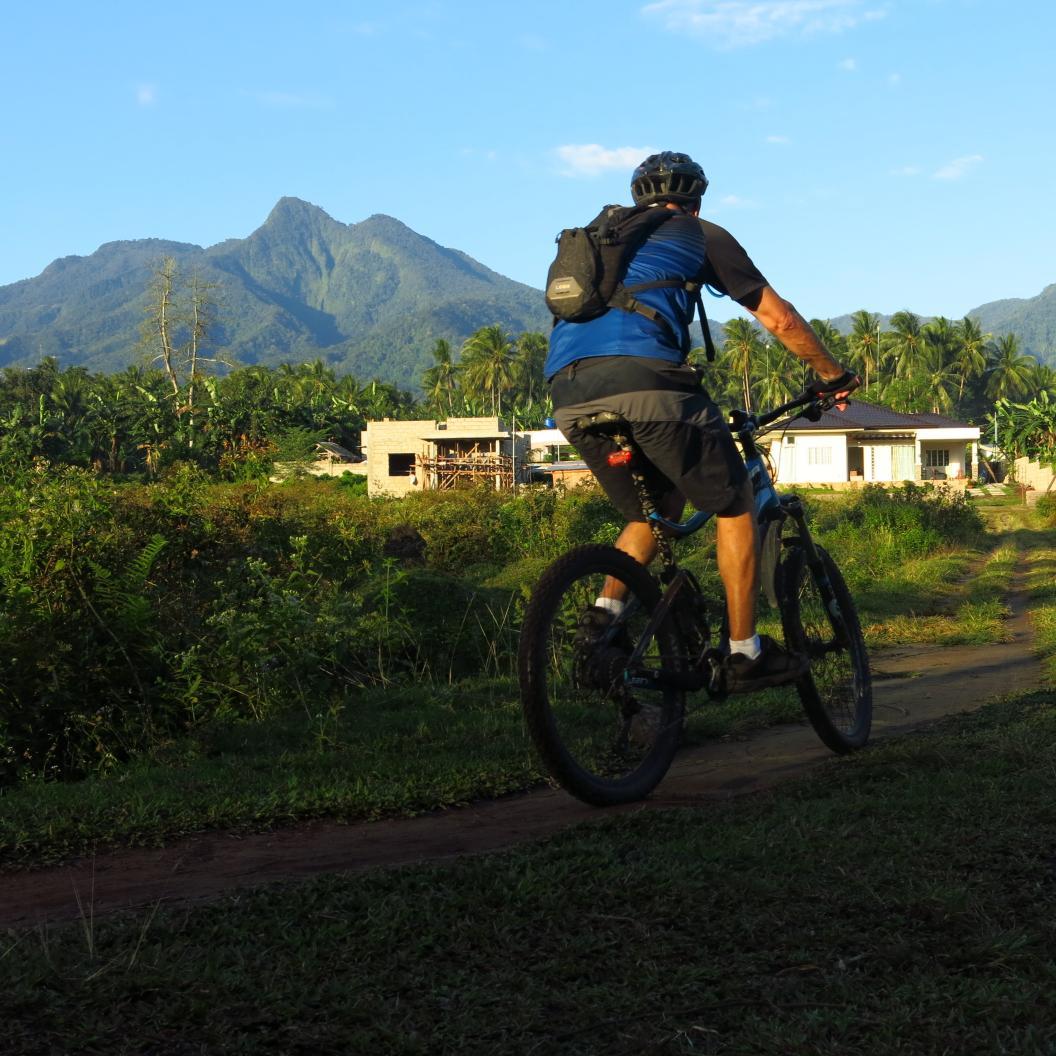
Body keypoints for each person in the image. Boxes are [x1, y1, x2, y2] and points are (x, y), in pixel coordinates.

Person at [545, 151, 859, 692]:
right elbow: (778, 318)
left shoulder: (600, 242)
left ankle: (602, 621)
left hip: (568, 391)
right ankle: (744, 653)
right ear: (695, 199)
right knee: (734, 502)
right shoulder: (700, 234)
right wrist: (832, 375)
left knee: (655, 510)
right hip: (650, 386)